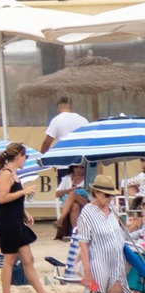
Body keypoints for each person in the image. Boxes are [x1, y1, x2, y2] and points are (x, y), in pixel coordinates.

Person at [75, 174, 129, 293]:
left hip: (116, 261)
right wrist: (87, 270)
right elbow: (83, 243)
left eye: (111, 195)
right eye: (107, 195)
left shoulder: (111, 209)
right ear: (96, 192)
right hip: (97, 260)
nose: (110, 198)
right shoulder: (87, 213)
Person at [0, 142, 51, 293]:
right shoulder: (5, 174)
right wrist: (23, 191)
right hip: (8, 223)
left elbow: (13, 200)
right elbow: (2, 199)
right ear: (18, 156)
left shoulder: (13, 173)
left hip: (16, 221)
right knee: (10, 259)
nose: (26, 159)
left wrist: (24, 213)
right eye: (25, 156)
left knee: (28, 259)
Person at [43, 96, 90, 239]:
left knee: (66, 193)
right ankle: (72, 230)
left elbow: (47, 142)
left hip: (64, 162)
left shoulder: (57, 120)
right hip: (83, 160)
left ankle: (64, 224)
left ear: (58, 108)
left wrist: (44, 158)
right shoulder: (83, 120)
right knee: (76, 197)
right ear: (71, 106)